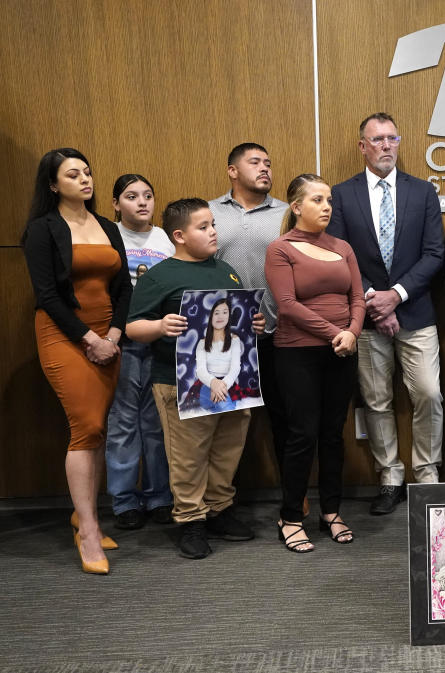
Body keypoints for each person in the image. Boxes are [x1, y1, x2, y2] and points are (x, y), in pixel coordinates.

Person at [127, 198, 264, 559]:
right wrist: (158, 326)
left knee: (227, 448)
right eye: (203, 227)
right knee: (188, 455)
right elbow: (132, 327)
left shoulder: (226, 271)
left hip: (234, 381)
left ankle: (219, 509)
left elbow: (233, 321)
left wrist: (254, 324)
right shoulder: (159, 275)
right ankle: (190, 520)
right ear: (180, 235)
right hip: (179, 382)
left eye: (213, 225)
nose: (213, 232)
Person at [328, 112, 444, 515]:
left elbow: (435, 254)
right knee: (376, 401)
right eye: (377, 139)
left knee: (429, 394)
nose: (385, 146)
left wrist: (395, 295)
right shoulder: (342, 195)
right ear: (363, 146)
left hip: (415, 312)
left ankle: (427, 475)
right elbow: (339, 255)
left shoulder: (423, 192)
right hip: (364, 315)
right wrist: (374, 302)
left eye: (392, 138)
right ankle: (390, 477)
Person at [22, 148, 132, 574]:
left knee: (98, 427)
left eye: (87, 172)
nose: (85, 179)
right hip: (65, 336)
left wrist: (113, 335)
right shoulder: (42, 230)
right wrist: (88, 339)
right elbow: (47, 295)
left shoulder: (106, 225)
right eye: (73, 175)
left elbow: (124, 287)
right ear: (53, 185)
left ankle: (84, 515)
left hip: (109, 335)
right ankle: (87, 529)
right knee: (85, 426)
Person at [265, 174, 365, 552]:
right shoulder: (281, 248)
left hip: (342, 349)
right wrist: (334, 332)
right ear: (296, 207)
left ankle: (332, 511)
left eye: (328, 201)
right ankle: (290, 517)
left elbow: (358, 297)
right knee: (302, 434)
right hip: (297, 352)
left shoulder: (343, 247)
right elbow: (287, 304)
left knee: (332, 434)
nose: (326, 207)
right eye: (317, 200)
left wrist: (352, 332)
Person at [208, 143, 289, 473]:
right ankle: (222, 504)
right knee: (224, 424)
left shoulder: (287, 213)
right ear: (232, 171)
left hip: (278, 335)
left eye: (268, 163)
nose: (265, 168)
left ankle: (293, 498)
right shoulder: (209, 212)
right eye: (255, 162)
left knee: (285, 419)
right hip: (225, 338)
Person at [106, 174, 175, 530]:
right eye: (131, 197)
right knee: (123, 424)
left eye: (148, 195)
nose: (142, 202)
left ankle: (160, 496)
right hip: (122, 341)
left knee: (156, 423)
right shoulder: (109, 236)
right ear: (116, 204)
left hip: (160, 340)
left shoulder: (164, 237)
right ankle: (124, 502)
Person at [194, 297, 242, 413]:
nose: (221, 316)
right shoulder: (202, 343)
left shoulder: (235, 340)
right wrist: (213, 383)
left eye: (225, 312)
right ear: (211, 317)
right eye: (217, 313)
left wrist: (221, 386)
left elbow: (236, 367)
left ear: (229, 316)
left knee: (225, 406)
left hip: (228, 385)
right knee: (225, 407)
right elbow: (200, 370)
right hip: (207, 385)